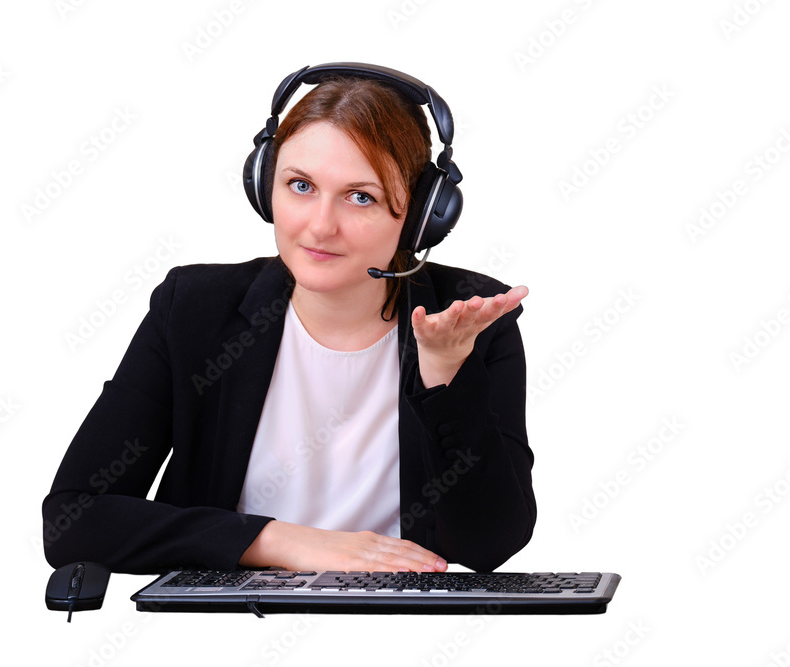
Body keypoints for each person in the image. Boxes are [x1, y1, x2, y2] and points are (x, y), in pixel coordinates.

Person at [42, 63, 535, 576]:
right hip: (226, 621)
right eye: (300, 185)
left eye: (360, 196)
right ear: (264, 187)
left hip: (399, 619)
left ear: (420, 215)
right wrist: (277, 540)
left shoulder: (468, 318)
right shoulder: (192, 309)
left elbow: (490, 544)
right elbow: (72, 520)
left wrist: (445, 378)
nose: (320, 226)